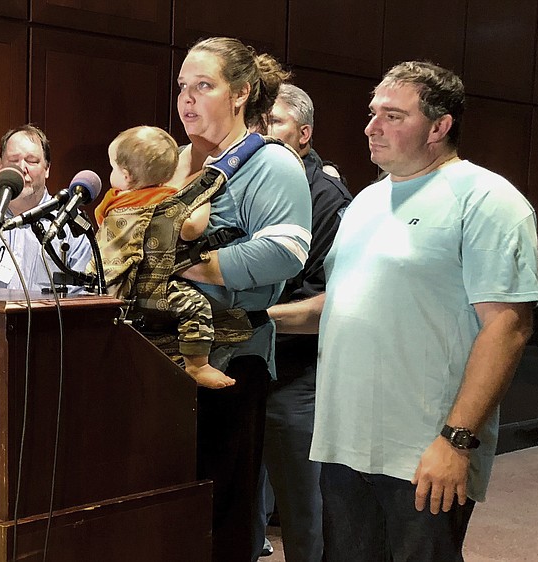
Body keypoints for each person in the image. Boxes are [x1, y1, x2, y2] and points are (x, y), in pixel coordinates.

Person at [270, 61, 538, 561]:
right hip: (342, 445)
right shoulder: (367, 202)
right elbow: (346, 302)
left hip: (425, 451)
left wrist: (457, 442)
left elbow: (507, 327)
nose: (371, 127)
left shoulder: (487, 199)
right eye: (373, 113)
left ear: (440, 126)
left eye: (393, 116)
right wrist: (262, 320)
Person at [169, 37, 312, 561]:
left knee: (221, 509)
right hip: (162, 352)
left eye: (203, 86)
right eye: (183, 87)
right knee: (171, 505)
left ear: (241, 94)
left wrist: (194, 264)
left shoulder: (270, 163)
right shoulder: (176, 160)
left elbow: (286, 250)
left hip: (231, 355)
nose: (187, 99)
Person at [253, 84, 352, 562]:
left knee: (303, 509)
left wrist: (240, 317)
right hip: (241, 361)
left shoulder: (328, 198)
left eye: (273, 122)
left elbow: (325, 307)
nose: (261, 132)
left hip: (297, 372)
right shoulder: (242, 181)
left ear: (304, 135)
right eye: (257, 122)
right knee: (238, 500)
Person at [93, 125, 235, 389]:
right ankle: (198, 365)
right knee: (195, 305)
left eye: (112, 168)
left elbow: (102, 226)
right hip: (149, 291)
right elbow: (192, 229)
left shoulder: (111, 202)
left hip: (108, 292)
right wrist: (202, 200)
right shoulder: (166, 202)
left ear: (125, 175)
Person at [0, 124, 92, 292]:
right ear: (1, 166)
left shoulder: (71, 222)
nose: (22, 169)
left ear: (47, 169)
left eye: (32, 161)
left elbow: (81, 295)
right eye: (14, 161)